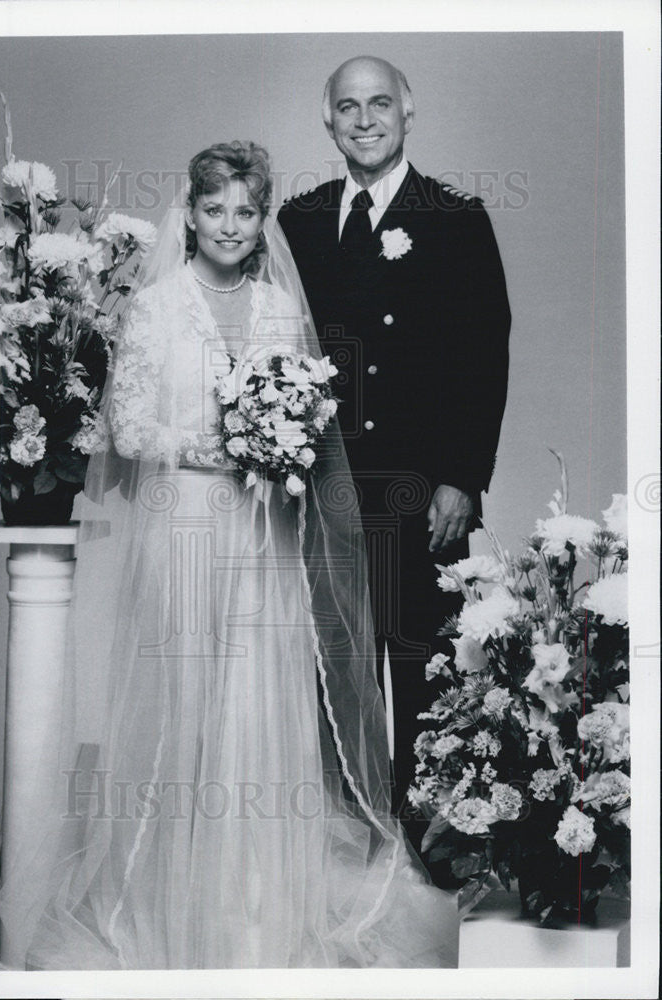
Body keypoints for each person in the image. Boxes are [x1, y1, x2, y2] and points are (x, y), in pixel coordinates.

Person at [0, 140, 459, 969]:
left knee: (263, 693)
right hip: (187, 528)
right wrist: (220, 440)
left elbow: (313, 418)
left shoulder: (281, 308)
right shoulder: (158, 308)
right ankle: (176, 890)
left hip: (266, 533)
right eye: (215, 210)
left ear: (262, 218)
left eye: (247, 211)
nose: (230, 226)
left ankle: (260, 890)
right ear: (192, 214)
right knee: (191, 697)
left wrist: (281, 439)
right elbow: (126, 429)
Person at [278, 57, 511, 844]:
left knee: (422, 668)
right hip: (322, 490)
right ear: (328, 119)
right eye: (348, 106)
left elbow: (485, 353)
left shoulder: (452, 214)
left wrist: (461, 478)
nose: (365, 119)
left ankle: (428, 848)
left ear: (408, 113)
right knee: (330, 672)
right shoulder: (299, 219)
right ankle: (343, 846)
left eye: (380, 103)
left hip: (420, 487)